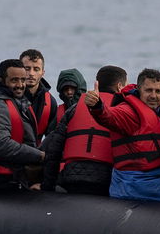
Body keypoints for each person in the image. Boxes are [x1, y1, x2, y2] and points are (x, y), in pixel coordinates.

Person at [87, 68, 160, 202]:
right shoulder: (129, 111)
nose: (153, 95)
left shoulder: (159, 113)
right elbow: (110, 116)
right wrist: (98, 106)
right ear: (139, 90)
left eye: (158, 91)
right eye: (148, 90)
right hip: (133, 189)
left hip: (158, 188)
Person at [41, 65, 126, 195]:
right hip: (105, 180)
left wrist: (47, 187)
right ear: (120, 86)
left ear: (97, 83)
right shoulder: (123, 111)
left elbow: (54, 149)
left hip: (71, 177)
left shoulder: (73, 109)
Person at [0, 59, 46, 190]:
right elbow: (1, 145)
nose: (20, 85)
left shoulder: (16, 101)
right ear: (1, 80)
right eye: (14, 80)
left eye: (23, 80)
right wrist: (39, 156)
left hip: (15, 175)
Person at [20, 48, 59, 139]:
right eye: (27, 68)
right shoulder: (8, 97)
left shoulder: (50, 103)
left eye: (36, 69)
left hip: (37, 151)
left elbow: (51, 138)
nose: (31, 73)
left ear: (42, 73)